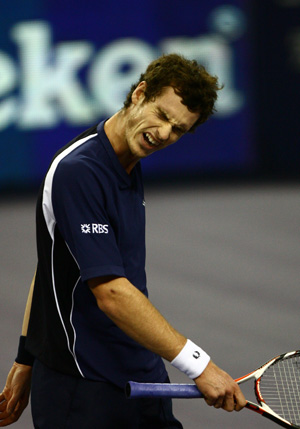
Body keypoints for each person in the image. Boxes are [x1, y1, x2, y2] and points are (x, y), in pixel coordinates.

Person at [0, 53, 246, 428]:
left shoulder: (127, 162)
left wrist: (24, 358)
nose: (164, 134)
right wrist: (200, 364)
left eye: (178, 130)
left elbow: (53, 264)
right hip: (84, 391)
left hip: (141, 377)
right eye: (162, 115)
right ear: (139, 94)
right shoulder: (79, 172)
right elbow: (112, 294)